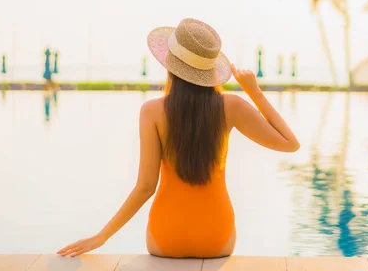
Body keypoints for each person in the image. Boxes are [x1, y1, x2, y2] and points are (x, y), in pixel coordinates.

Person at [57, 18, 300, 258]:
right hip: (217, 240)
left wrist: (101, 237)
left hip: (165, 239)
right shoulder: (232, 106)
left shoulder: (151, 111)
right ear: (211, 70)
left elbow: (145, 187)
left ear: (170, 64)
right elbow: (290, 144)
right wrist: (253, 91)